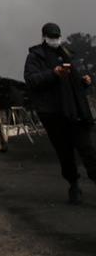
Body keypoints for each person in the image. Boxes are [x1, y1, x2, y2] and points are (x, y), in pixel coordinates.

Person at [24, 22, 96, 204]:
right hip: (54, 113)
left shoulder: (66, 53)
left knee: (87, 148)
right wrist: (53, 73)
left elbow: (73, 81)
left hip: (75, 110)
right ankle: (74, 185)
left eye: (57, 37)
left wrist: (84, 82)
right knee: (65, 152)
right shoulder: (35, 56)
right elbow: (32, 80)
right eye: (52, 37)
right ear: (44, 37)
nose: (55, 40)